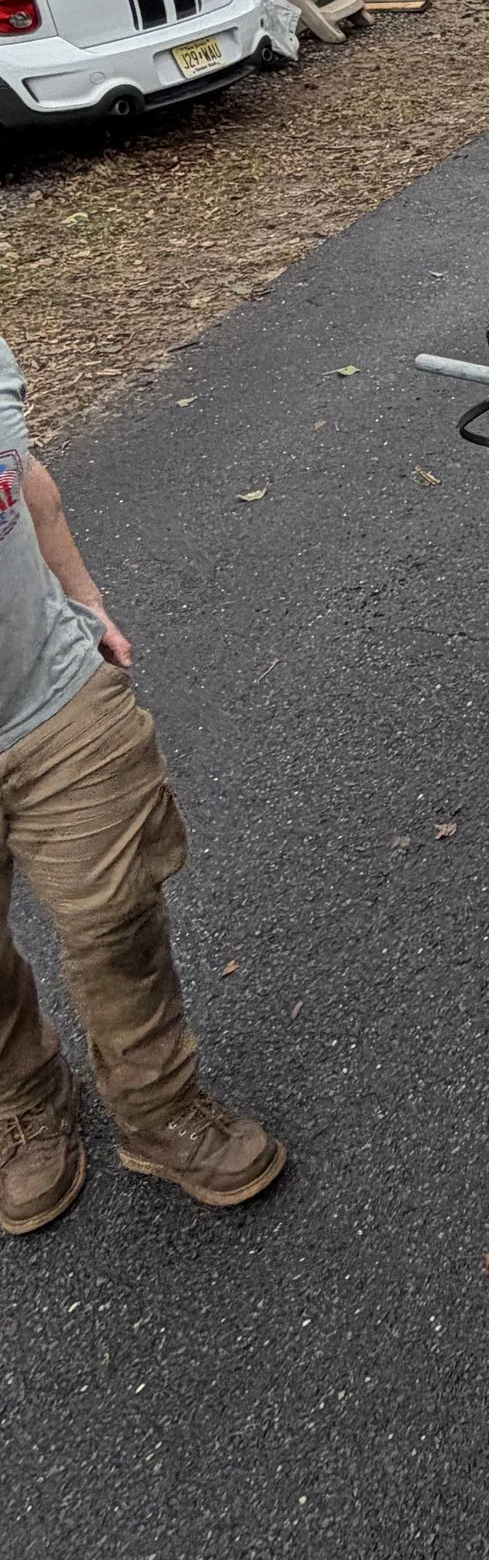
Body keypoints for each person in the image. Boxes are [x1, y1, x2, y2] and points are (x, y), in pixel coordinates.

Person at [0, 335, 284, 1234]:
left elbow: (22, 477)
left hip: (53, 696)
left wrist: (83, 600)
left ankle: (158, 1109)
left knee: (116, 917)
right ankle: (27, 1102)